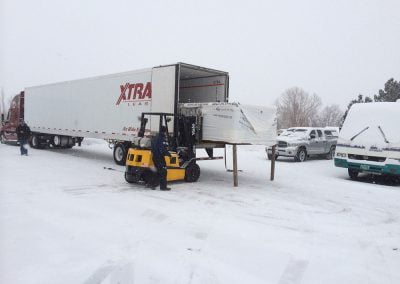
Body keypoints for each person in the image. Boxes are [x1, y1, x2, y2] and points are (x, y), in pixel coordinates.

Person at [151, 126, 172, 191]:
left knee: (157, 171)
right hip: (159, 157)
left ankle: (152, 184)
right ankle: (163, 187)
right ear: (164, 131)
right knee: (163, 172)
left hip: (154, 157)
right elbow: (162, 149)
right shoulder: (161, 138)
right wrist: (168, 154)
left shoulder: (156, 137)